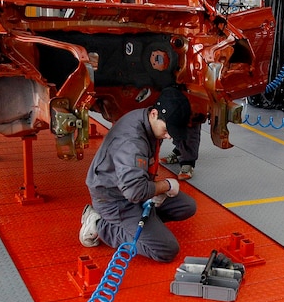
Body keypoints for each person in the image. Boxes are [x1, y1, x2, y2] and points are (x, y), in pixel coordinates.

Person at [80, 87, 197, 262]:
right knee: (166, 249)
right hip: (114, 199)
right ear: (154, 114)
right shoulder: (132, 142)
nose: (169, 137)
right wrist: (165, 185)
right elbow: (134, 192)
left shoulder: (146, 119)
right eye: (167, 130)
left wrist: (155, 189)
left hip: (131, 188)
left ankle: (144, 226)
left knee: (187, 206)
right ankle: (99, 224)